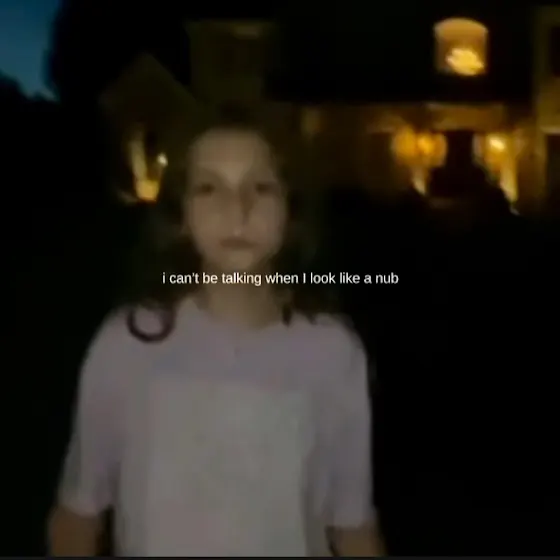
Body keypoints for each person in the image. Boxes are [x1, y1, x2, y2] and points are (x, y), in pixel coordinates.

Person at [47, 108, 383, 557]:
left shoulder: (332, 352)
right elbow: (77, 517)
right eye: (209, 188)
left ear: (290, 209)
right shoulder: (128, 344)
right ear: (181, 214)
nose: (237, 210)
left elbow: (353, 526)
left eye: (261, 187)